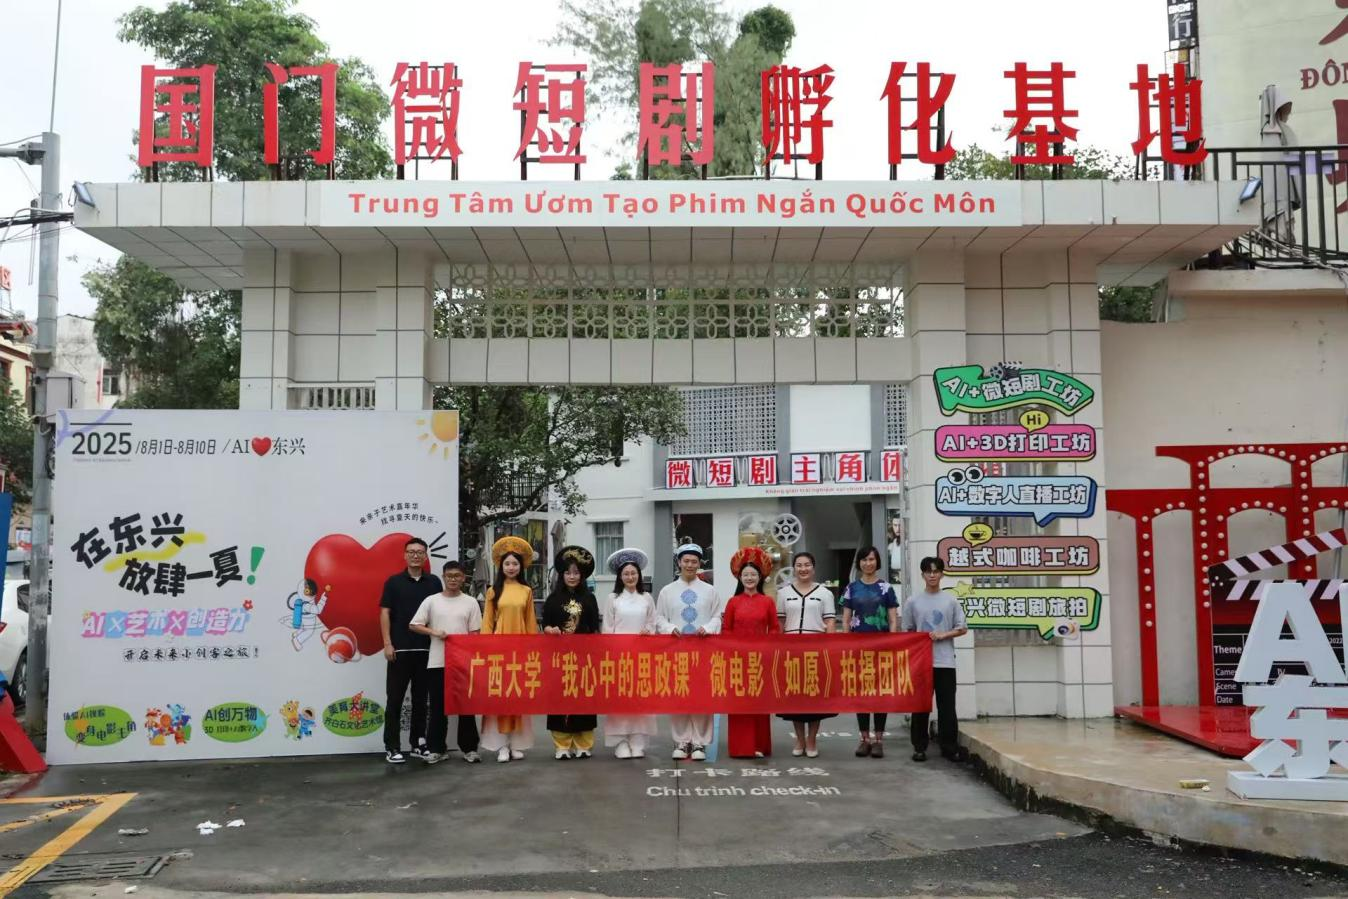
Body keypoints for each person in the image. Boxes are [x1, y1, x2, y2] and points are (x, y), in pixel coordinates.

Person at [408, 560, 482, 764]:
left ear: (463, 578)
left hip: (463, 663)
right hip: (438, 661)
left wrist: (469, 649)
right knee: (438, 706)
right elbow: (414, 624)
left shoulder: (470, 602)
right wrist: (434, 632)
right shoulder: (432, 601)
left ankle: (469, 748)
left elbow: (475, 633)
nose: (453, 579)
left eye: (457, 576)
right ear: (443, 577)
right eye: (449, 576)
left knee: (466, 707)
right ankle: (437, 748)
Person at [654, 543, 723, 761]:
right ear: (679, 562)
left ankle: (700, 742)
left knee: (702, 695)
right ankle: (682, 741)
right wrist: (669, 628)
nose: (690, 565)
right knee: (679, 694)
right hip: (677, 651)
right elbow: (659, 618)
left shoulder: (710, 591)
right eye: (686, 561)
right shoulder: (667, 591)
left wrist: (708, 628)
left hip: (704, 651)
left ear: (700, 563)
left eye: (694, 561)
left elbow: (717, 617)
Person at [380, 537, 443, 764]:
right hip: (400, 650)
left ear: (425, 556)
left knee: (421, 700)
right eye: (411, 552)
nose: (415, 555)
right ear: (405, 555)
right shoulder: (393, 582)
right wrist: (388, 643)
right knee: (395, 699)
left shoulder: (434, 582)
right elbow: (385, 613)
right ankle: (392, 746)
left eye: (419, 552)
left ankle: (418, 743)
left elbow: (440, 612)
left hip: (427, 650)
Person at [480, 536, 538, 763]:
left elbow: (530, 621)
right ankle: (501, 745)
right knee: (501, 696)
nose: (511, 567)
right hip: (499, 650)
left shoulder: (526, 591)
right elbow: (487, 622)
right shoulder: (493, 591)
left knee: (517, 695)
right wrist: (486, 647)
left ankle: (515, 743)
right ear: (501, 566)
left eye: (515, 563)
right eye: (507, 563)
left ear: (521, 566)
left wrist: (533, 648)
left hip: (520, 649)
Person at [904, 557, 968, 763]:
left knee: (947, 707)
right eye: (928, 571)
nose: (932, 575)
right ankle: (919, 747)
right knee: (920, 706)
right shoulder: (913, 601)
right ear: (922, 574)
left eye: (936, 571)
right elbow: (908, 630)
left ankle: (949, 747)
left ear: (942, 574)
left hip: (945, 661)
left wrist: (943, 635)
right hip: (921, 662)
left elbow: (962, 628)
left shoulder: (951, 601)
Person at [840, 545, 900, 759]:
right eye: (864, 560)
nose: (868, 563)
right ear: (859, 563)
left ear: (878, 562)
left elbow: (893, 619)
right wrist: (847, 643)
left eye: (872, 559)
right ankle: (864, 739)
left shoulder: (886, 588)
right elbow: (846, 619)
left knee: (880, 693)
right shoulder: (852, 588)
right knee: (862, 693)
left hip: (881, 649)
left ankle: (879, 740)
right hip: (858, 649)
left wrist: (892, 641)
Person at [542, 545, 601, 760]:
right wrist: (550, 630)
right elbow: (545, 625)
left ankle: (584, 744)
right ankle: (562, 745)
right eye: (568, 572)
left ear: (582, 575)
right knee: (560, 698)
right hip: (559, 658)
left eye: (576, 573)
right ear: (562, 575)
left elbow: (595, 628)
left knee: (584, 697)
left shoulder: (590, 598)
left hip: (584, 658)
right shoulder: (553, 599)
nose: (572, 576)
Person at [776, 551, 836, 758]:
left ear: (813, 567)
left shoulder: (825, 593)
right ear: (794, 568)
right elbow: (780, 622)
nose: (803, 569)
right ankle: (799, 739)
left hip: (816, 651)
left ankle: (812, 739)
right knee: (795, 697)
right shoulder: (783, 593)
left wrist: (830, 648)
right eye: (799, 565)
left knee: (814, 697)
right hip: (791, 651)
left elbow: (830, 622)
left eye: (807, 565)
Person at [723, 546, 780, 759]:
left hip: (760, 661)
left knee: (758, 703)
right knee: (739, 703)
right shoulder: (733, 602)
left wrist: (766, 647)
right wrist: (734, 648)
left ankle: (759, 745)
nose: (749, 578)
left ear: (760, 577)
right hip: (738, 661)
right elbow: (726, 630)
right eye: (745, 575)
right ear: (740, 578)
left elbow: (774, 629)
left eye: (753, 575)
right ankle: (740, 747)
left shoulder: (767, 602)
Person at [602, 548, 659, 759]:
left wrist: (648, 633)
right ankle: (620, 741)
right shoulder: (613, 598)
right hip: (620, 656)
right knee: (621, 700)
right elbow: (607, 628)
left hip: (642, 657)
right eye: (625, 573)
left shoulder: (647, 598)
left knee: (640, 699)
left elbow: (652, 623)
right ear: (620, 576)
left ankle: (638, 740)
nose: (630, 577)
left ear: (639, 575)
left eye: (633, 573)